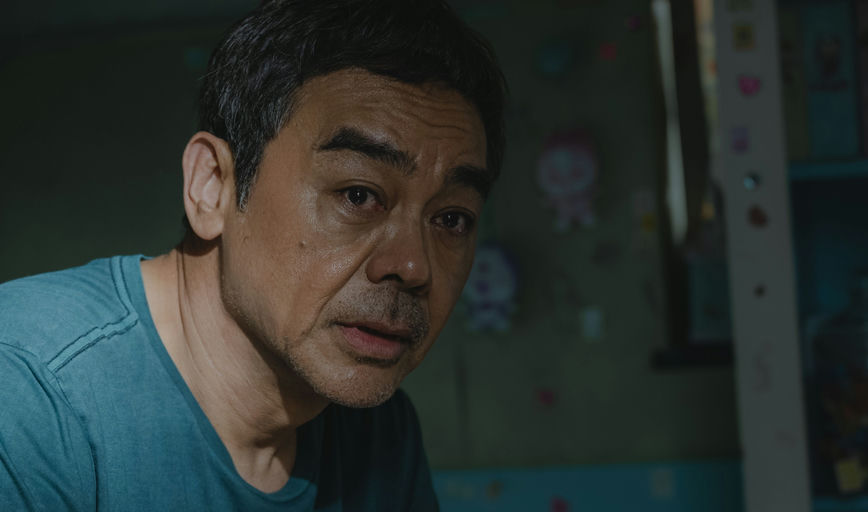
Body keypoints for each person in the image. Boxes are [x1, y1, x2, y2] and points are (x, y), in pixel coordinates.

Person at [0, 0, 506, 509]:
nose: (414, 266)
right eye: (358, 195)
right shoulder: (30, 394)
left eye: (452, 219)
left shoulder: (380, 434)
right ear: (212, 186)